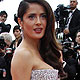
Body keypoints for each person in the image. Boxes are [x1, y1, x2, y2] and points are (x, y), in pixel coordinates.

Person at [11, 0, 66, 80]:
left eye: (43, 16)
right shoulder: (23, 55)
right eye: (31, 17)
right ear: (20, 22)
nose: (38, 22)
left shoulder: (47, 51)